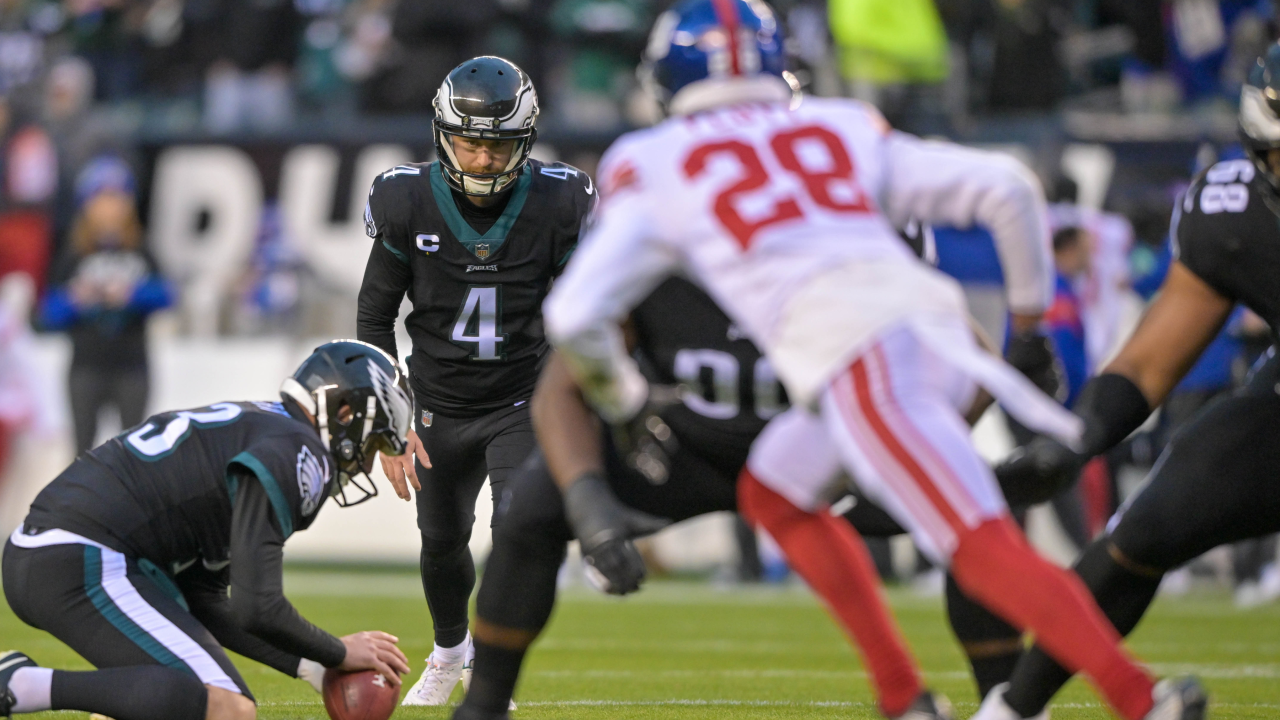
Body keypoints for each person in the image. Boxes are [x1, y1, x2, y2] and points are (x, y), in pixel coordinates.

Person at [540, 1, 1204, 719]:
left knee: (981, 547)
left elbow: (574, 314)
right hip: (923, 334)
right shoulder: (840, 122)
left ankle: (1141, 699)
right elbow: (1008, 190)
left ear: (667, 78)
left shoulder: (649, 159)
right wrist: (1028, 331)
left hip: (867, 360)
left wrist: (623, 400)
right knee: (776, 493)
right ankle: (902, 695)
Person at [980, 43, 1280, 720]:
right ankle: (1011, 712)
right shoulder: (1235, 215)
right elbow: (1149, 362)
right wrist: (1075, 440)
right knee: (1144, 530)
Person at [0, 340, 414, 720]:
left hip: (58, 552)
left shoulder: (269, 427)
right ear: (345, 412)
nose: (366, 462)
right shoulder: (299, 452)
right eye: (374, 444)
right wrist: (338, 650)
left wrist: (315, 666)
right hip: (83, 557)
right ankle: (20, 685)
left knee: (177, 698)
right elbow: (259, 606)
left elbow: (204, 600)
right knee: (227, 709)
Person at [356, 55, 595, 706]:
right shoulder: (406, 198)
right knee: (440, 542)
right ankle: (449, 648)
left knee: (517, 531)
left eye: (497, 144)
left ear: (525, 139)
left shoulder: (558, 200)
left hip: (521, 397)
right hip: (433, 399)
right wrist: (388, 415)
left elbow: (586, 311)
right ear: (442, 135)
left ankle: (488, 674)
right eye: (469, 142)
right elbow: (375, 314)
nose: (484, 158)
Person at [39, 156, 172, 453]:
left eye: (117, 198)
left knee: (135, 453)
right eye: (101, 198)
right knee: (82, 453)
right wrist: (75, 299)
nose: (110, 208)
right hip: (86, 366)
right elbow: (48, 312)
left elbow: (166, 295)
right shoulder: (73, 254)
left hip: (132, 366)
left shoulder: (141, 249)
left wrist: (132, 295)